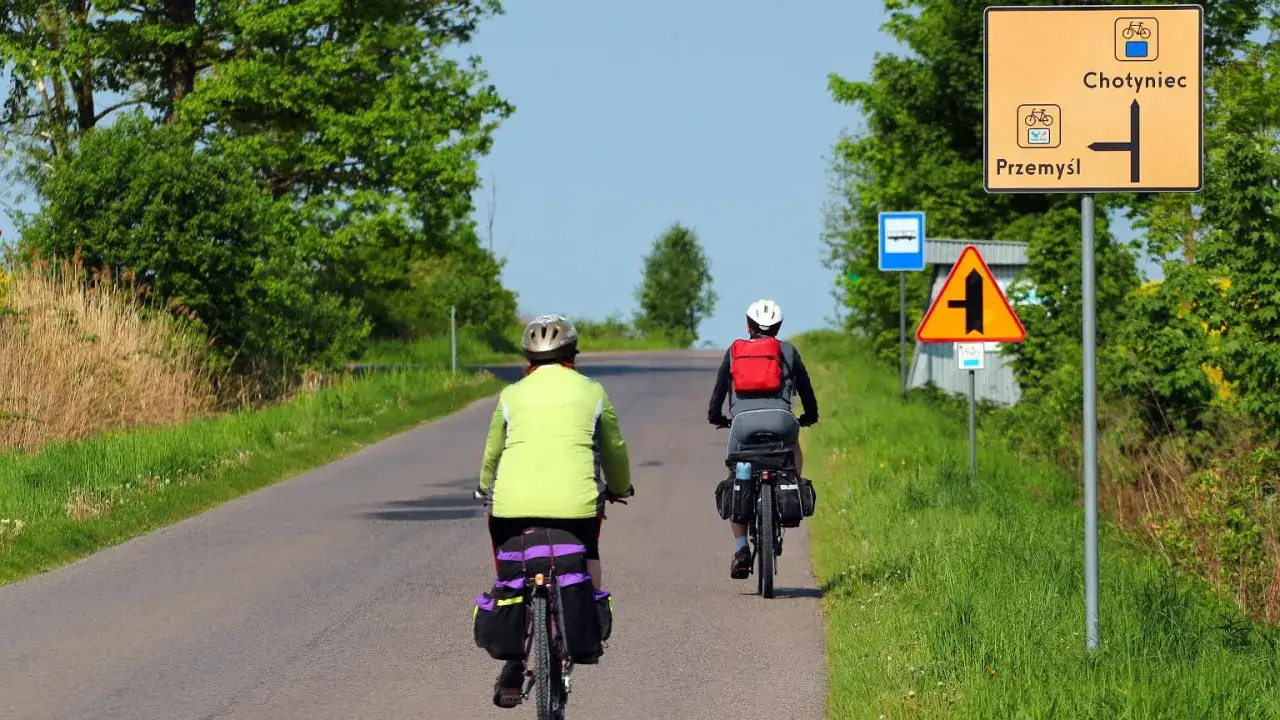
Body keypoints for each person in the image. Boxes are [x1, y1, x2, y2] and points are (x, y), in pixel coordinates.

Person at [475, 313, 634, 709]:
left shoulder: (511, 395)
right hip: (575, 507)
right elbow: (613, 449)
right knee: (588, 550)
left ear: (528, 359)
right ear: (572, 356)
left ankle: (513, 653)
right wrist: (618, 487)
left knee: (509, 556)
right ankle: (590, 606)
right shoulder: (592, 391)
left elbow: (493, 450)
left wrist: (483, 486)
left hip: (512, 508)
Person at [706, 299, 818, 580]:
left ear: (748, 325)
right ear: (778, 327)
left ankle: (742, 547)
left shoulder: (734, 352)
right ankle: (791, 482)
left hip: (743, 426)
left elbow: (719, 392)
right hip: (781, 421)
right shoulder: (788, 351)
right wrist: (810, 415)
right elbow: (805, 389)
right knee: (793, 446)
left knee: (736, 472)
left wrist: (716, 417)